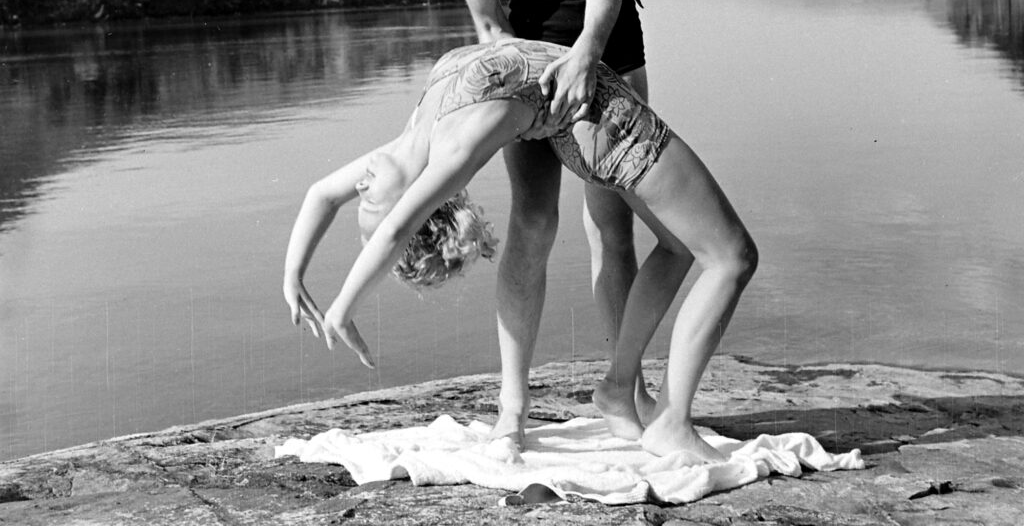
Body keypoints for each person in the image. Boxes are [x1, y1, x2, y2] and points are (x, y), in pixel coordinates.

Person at [283, 38, 757, 462]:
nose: (362, 182)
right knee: (732, 256)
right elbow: (389, 236)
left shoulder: (407, 143)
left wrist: (294, 276)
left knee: (678, 247)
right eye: (368, 197)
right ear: (416, 206)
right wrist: (342, 309)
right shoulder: (452, 155)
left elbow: (320, 194)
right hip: (600, 120)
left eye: (362, 194)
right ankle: (671, 424)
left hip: (579, 107)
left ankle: (618, 386)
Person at [410, 0, 655, 445]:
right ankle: (512, 409)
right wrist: (526, 90)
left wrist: (587, 55)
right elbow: (490, 28)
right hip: (524, 37)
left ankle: (626, 392)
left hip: (608, 27)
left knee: (613, 220)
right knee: (535, 220)